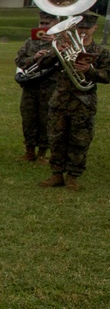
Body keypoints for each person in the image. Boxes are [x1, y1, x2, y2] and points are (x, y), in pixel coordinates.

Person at [39, 11, 110, 190]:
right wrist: (56, 53)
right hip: (60, 101)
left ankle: (72, 176)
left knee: (80, 140)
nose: (82, 31)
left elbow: (107, 75)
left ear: (95, 28)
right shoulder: (63, 46)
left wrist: (89, 71)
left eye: (86, 28)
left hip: (84, 102)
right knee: (56, 138)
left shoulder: (100, 52)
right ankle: (56, 174)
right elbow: (42, 65)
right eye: (79, 28)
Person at [14, 12, 58, 162]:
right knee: (29, 118)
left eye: (47, 24)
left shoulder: (61, 42)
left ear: (55, 25)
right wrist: (34, 58)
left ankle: (42, 153)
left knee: (46, 119)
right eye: (42, 23)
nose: (44, 26)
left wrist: (55, 42)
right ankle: (29, 151)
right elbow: (19, 60)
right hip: (31, 86)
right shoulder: (30, 42)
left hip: (50, 86)